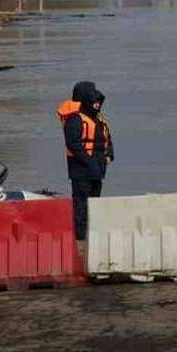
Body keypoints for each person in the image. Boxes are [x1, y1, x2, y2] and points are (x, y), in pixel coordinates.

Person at [57, 81, 114, 240]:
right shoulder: (74, 119)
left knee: (95, 205)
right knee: (81, 205)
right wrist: (88, 161)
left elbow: (107, 138)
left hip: (97, 169)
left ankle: (93, 235)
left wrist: (109, 155)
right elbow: (73, 143)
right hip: (81, 170)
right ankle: (80, 238)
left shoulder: (98, 117)